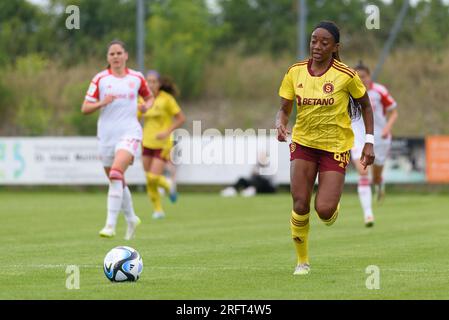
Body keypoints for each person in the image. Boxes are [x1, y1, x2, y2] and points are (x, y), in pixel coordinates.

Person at [275, 21, 375, 275]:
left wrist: (369, 142)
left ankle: (331, 205)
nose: (316, 46)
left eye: (324, 42)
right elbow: (284, 107)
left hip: (335, 147)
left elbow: (365, 105)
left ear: (335, 47)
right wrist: (280, 123)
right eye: (313, 40)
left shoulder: (346, 75)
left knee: (325, 212)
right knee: (299, 204)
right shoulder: (295, 72)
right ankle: (302, 261)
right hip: (304, 144)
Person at [82, 40, 154, 240]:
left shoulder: (137, 78)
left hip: (130, 132)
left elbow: (149, 97)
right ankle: (131, 218)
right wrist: (101, 103)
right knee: (117, 180)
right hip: (106, 136)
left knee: (115, 173)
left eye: (119, 53)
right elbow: (85, 108)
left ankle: (110, 226)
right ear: (108, 58)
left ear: (126, 55)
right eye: (111, 53)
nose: (115, 56)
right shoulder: (100, 79)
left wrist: (147, 106)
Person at [351, 62, 398, 227]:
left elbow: (394, 111)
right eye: (357, 76)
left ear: (369, 77)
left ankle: (379, 184)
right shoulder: (349, 92)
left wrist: (387, 128)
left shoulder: (379, 91)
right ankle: (368, 214)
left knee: (376, 177)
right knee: (363, 172)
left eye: (363, 76)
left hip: (380, 138)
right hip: (358, 138)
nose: (360, 79)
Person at [138, 71, 186, 219]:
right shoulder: (142, 99)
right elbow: (135, 118)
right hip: (146, 142)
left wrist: (167, 132)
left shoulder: (167, 99)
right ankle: (158, 210)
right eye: (148, 82)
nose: (151, 84)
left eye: (153, 82)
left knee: (153, 177)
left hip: (163, 144)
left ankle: (168, 185)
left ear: (159, 84)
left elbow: (180, 118)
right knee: (149, 179)